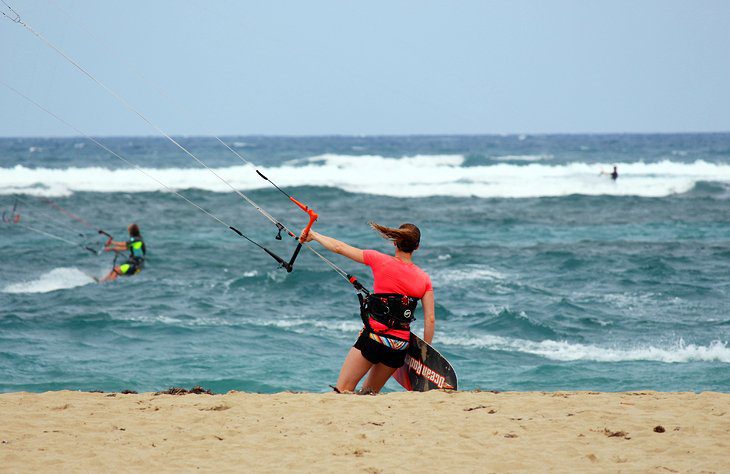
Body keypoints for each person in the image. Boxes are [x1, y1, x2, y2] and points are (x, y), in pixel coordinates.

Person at [301, 222, 435, 394]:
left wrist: (314, 235)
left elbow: (338, 247)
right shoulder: (424, 279)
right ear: (417, 247)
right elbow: (430, 319)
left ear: (395, 242)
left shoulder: (379, 259)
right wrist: (425, 353)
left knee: (342, 390)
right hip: (399, 347)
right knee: (369, 394)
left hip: (374, 338)